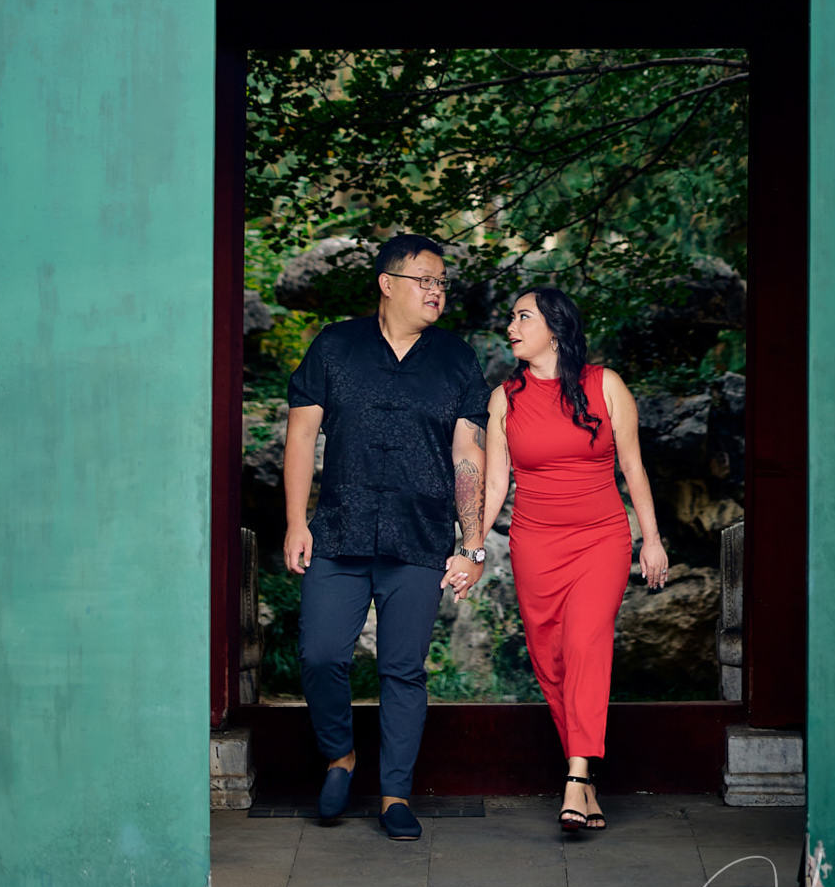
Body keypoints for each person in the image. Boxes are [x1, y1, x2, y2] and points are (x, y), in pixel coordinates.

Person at [283, 234, 490, 840]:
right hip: (339, 533)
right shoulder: (336, 345)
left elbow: (467, 455)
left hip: (419, 538)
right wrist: (298, 520)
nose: (436, 291)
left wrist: (472, 544)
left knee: (404, 669)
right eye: (425, 279)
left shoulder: (456, 358)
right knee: (321, 654)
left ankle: (395, 794)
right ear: (388, 283)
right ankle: (340, 759)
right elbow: (301, 438)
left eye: (443, 282)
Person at [475, 286, 669, 833]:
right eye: (510, 317)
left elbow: (633, 466)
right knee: (552, 661)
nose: (511, 326)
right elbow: (494, 485)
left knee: (586, 642)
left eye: (522, 317)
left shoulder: (604, 385)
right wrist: (470, 545)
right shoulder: (503, 399)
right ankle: (584, 784)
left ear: (555, 327)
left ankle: (577, 777)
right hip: (534, 544)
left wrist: (649, 539)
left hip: (600, 539)